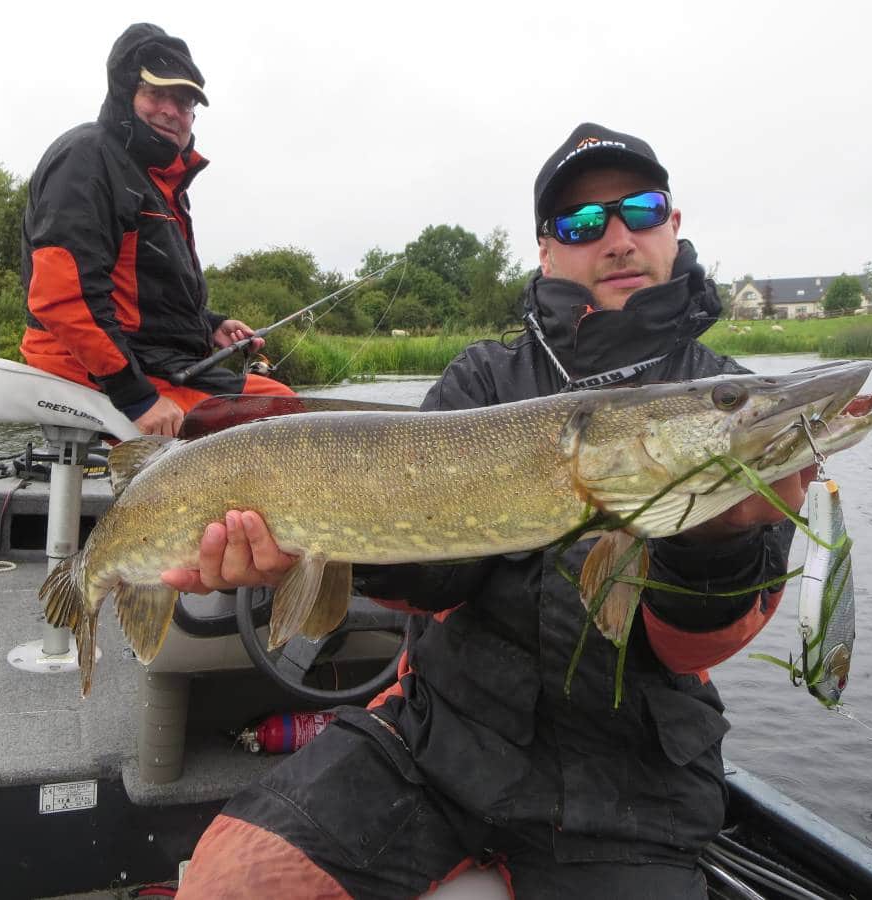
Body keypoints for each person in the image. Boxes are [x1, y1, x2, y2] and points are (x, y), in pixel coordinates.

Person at [168, 123, 817, 898]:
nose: (615, 238)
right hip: (441, 737)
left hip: (631, 777)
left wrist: (713, 544)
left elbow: (688, 650)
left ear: (672, 227)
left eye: (639, 210)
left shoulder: (727, 399)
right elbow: (439, 577)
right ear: (548, 251)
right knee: (232, 880)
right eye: (581, 224)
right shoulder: (485, 376)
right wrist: (323, 535)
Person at [20, 23, 291, 438]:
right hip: (89, 366)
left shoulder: (161, 184)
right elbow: (63, 298)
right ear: (126, 91)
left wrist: (210, 324)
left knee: (283, 403)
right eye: (156, 93)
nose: (171, 110)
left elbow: (145, 296)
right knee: (277, 419)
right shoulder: (87, 157)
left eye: (184, 103)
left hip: (153, 360)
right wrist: (137, 398)